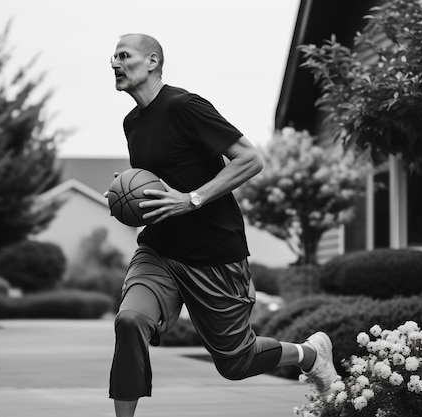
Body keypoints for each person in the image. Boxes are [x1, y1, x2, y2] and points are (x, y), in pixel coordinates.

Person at [108, 33, 340, 417]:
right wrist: (124, 194)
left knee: (237, 362)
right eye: (112, 58)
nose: (114, 63)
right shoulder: (132, 122)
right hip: (159, 251)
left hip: (213, 254)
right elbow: (153, 180)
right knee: (130, 322)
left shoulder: (186, 106)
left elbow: (250, 158)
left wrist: (192, 198)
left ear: (152, 61)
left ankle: (310, 354)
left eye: (123, 55)